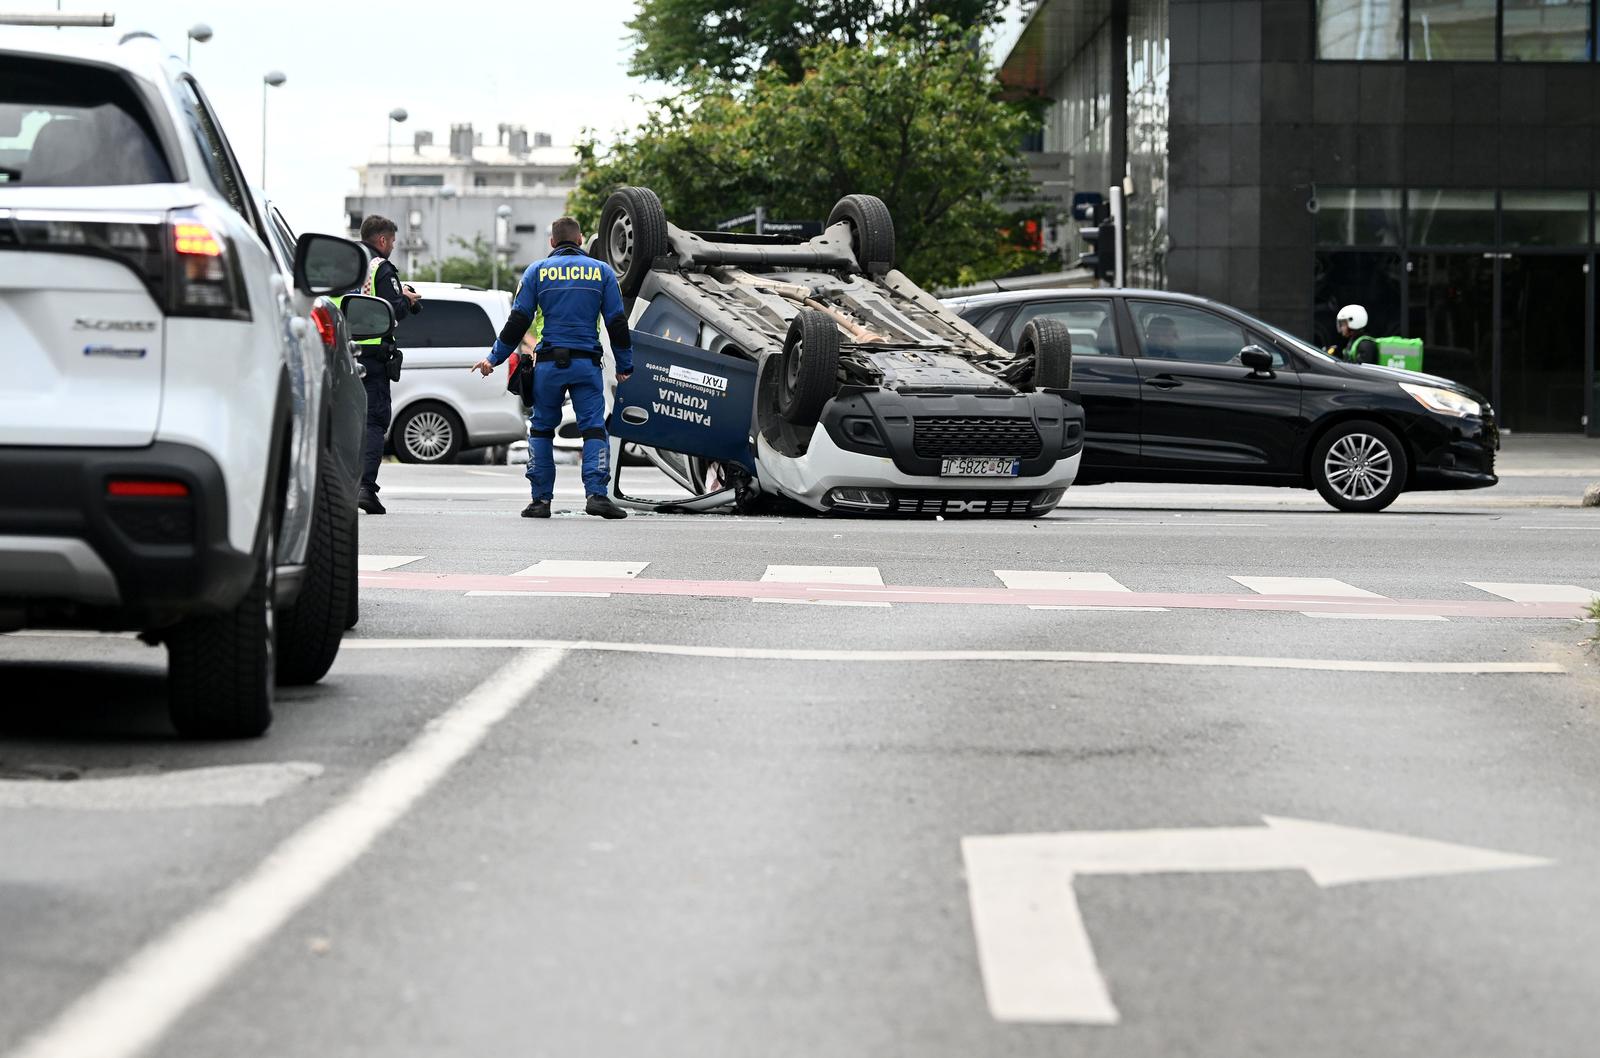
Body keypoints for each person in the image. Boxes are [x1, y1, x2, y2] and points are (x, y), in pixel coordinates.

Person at [472, 216, 633, 519]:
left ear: (552, 242)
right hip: (586, 364)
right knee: (594, 428)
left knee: (543, 430)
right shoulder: (602, 272)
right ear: (581, 239)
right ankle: (597, 495)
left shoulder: (537, 271)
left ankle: (540, 501)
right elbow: (616, 321)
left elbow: (519, 320)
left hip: (548, 366)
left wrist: (493, 358)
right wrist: (625, 364)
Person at [352, 215, 421, 515]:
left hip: (338, 353)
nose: (392, 246)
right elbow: (391, 309)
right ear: (382, 240)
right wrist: (406, 299)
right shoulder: (380, 267)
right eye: (392, 241)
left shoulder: (346, 263)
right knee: (373, 422)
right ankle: (365, 488)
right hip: (370, 359)